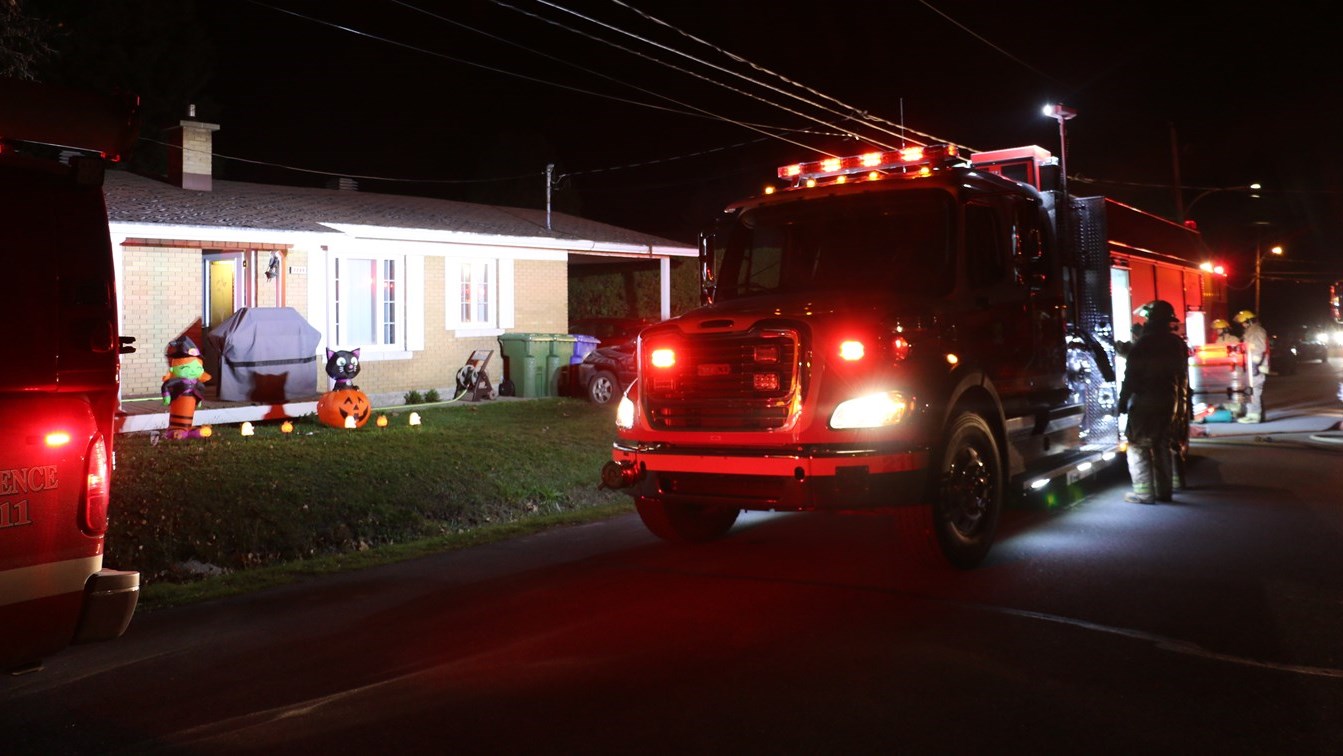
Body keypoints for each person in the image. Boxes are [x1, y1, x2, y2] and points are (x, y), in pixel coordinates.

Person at [1118, 300, 1189, 504]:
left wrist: (1123, 400)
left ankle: (1144, 494)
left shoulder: (1143, 344)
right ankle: (1164, 492)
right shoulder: (1177, 343)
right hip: (1170, 401)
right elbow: (1182, 376)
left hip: (1146, 401)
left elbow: (1131, 375)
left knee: (1138, 445)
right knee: (1161, 445)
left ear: (1150, 319)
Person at [1233, 309, 1269, 423]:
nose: (1242, 325)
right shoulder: (1251, 331)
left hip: (1255, 367)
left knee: (1254, 392)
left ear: (1249, 321)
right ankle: (1251, 414)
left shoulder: (1256, 331)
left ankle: (1254, 416)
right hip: (1250, 366)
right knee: (1250, 391)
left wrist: (1254, 365)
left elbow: (1259, 349)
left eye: (1243, 322)